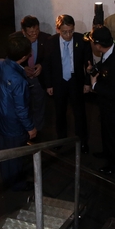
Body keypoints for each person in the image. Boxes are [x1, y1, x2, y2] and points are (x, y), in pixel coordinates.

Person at [0, 35, 37, 191]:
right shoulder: (19, 81)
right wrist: (31, 128)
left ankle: (5, 175)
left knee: (4, 150)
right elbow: (22, 109)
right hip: (13, 126)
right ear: (23, 57)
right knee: (16, 156)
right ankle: (16, 185)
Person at [43, 14, 91, 153]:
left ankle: (82, 142)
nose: (68, 35)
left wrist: (87, 82)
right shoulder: (50, 42)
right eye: (64, 32)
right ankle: (61, 139)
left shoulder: (81, 40)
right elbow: (47, 65)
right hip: (59, 83)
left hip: (76, 82)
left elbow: (88, 63)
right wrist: (49, 84)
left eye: (70, 31)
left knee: (80, 114)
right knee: (59, 113)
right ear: (58, 30)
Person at [87, 27, 115, 174]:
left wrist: (95, 85)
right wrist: (95, 69)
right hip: (107, 106)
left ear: (98, 45)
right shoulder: (112, 50)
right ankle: (107, 153)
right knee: (106, 132)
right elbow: (105, 68)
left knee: (114, 137)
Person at [9, 16, 50, 133]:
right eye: (30, 32)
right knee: (22, 104)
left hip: (38, 79)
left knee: (39, 105)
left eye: (36, 30)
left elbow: (49, 58)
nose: (34, 34)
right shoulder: (14, 40)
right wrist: (22, 68)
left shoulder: (45, 38)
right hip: (21, 80)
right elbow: (10, 61)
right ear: (23, 32)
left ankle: (37, 129)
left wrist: (41, 65)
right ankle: (23, 128)